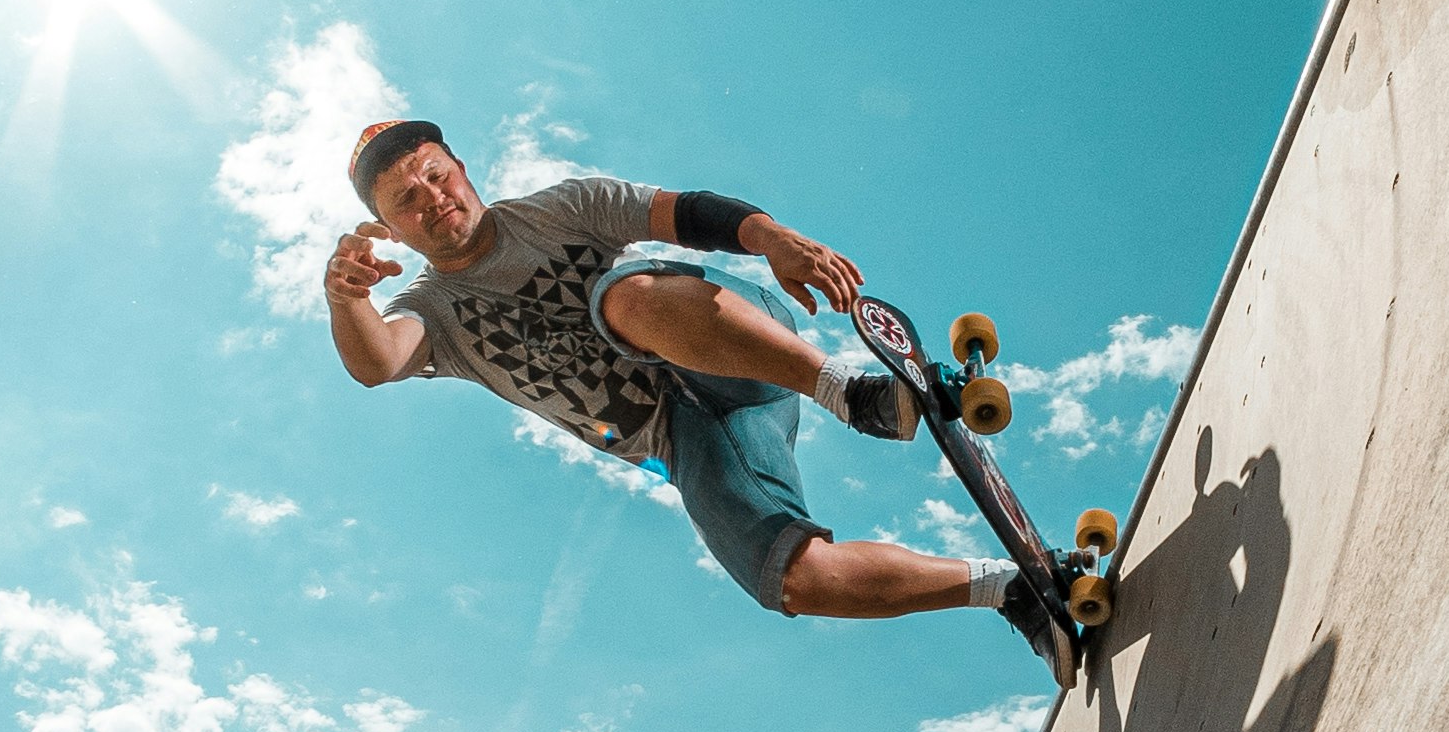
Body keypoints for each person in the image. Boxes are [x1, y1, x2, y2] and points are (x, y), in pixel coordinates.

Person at [323, 134, 1073, 685]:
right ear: (393, 229)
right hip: (688, 436)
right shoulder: (433, 310)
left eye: (436, 176)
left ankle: (852, 391)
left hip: (733, 344)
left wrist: (773, 239)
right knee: (789, 579)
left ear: (460, 167)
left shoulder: (560, 210)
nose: (434, 200)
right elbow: (377, 362)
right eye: (408, 202)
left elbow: (686, 213)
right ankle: (1009, 588)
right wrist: (346, 296)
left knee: (617, 299)